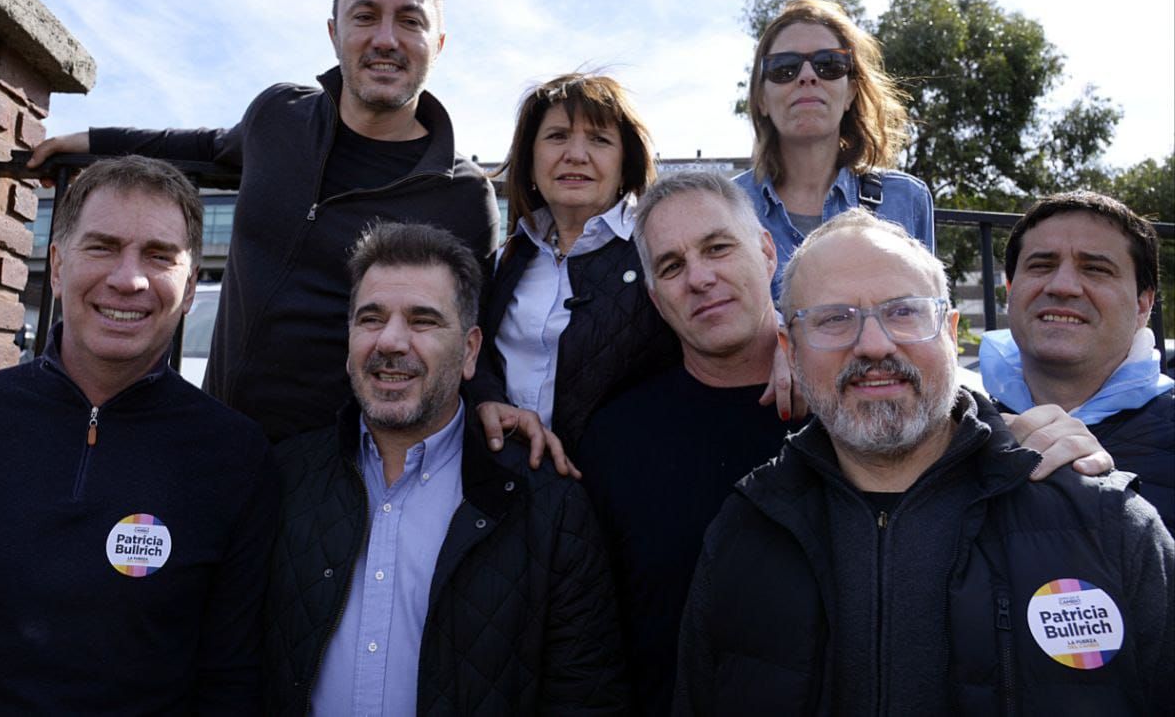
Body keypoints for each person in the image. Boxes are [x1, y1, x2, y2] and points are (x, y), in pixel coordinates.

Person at [674, 210, 1173, 715]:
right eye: (833, 319)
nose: (873, 345)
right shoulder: (744, 530)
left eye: (904, 312)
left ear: (951, 334)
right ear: (792, 351)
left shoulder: (1109, 525)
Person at [29, 0, 500, 444]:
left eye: (410, 21)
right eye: (365, 17)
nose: (385, 38)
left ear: (440, 43)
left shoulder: (463, 194)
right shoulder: (278, 116)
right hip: (215, 442)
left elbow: (481, 332)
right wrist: (91, 143)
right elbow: (206, 147)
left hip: (341, 475)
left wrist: (494, 400)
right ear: (334, 32)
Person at [0, 156, 277, 712]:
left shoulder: (237, 459)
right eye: (101, 247)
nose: (128, 279)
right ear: (55, 266)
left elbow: (230, 681)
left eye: (158, 255)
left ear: (190, 286)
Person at [263, 222, 626, 715]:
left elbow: (585, 697)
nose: (391, 341)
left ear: (470, 350)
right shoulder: (282, 481)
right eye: (371, 318)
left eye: (422, 321)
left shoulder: (545, 505)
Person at [578, 171, 796, 715]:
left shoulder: (848, 404)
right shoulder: (614, 439)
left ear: (767, 252)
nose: (699, 278)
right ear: (655, 298)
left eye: (718, 248)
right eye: (672, 266)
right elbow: (592, 644)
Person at [472, 73, 679, 458]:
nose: (576, 155)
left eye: (599, 140)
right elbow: (471, 352)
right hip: (506, 481)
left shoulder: (664, 247)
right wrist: (485, 398)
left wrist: (778, 341)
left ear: (625, 164)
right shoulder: (504, 259)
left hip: (622, 484)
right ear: (530, 157)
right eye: (557, 136)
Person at [981, 191, 1174, 529]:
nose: (1063, 286)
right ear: (1010, 290)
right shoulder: (956, 438)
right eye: (1041, 265)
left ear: (1143, 305)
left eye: (1096, 269)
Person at [733, 0, 934, 300]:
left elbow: (926, 318)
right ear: (761, 98)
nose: (807, 76)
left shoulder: (906, 199)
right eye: (784, 68)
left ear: (851, 92)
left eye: (828, 64)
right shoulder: (730, 207)